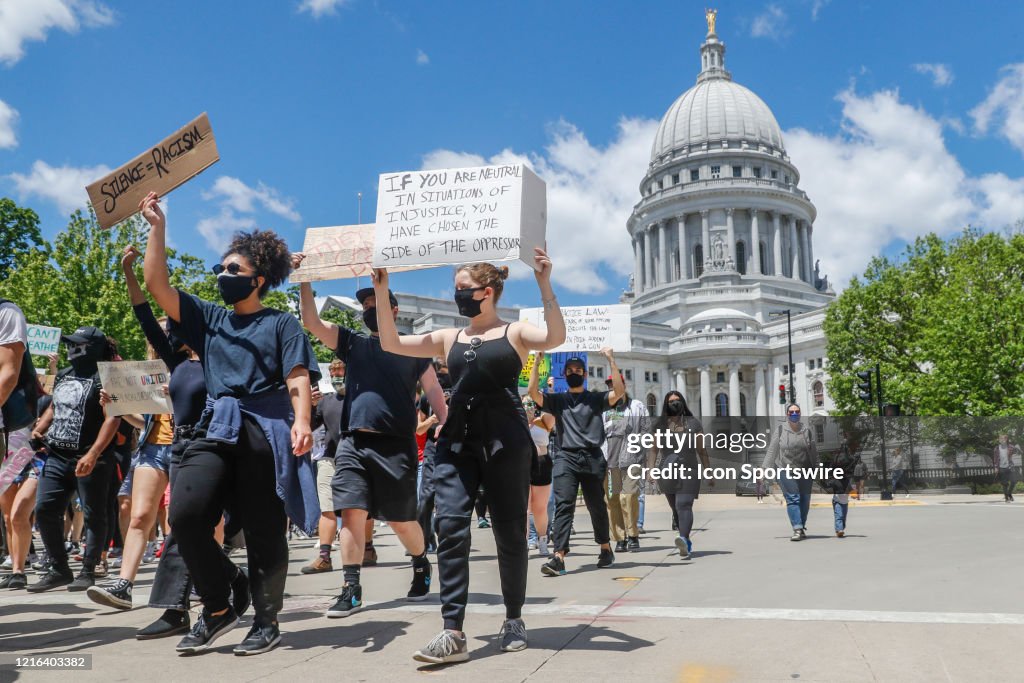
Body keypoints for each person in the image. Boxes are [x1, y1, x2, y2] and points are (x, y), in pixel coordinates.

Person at [140, 191, 320, 656]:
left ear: (259, 279)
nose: (223, 276)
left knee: (263, 528)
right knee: (184, 515)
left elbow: (298, 376)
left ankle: (266, 619)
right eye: (220, 269)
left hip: (265, 429)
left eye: (233, 270)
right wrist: (157, 227)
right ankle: (221, 602)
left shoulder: (282, 324)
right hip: (214, 426)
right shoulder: (210, 318)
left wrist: (302, 421)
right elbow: (156, 284)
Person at [372, 250, 564, 665]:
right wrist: (381, 290)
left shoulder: (514, 332)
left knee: (510, 532)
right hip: (458, 440)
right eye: (455, 290)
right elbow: (390, 342)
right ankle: (452, 630)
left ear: (487, 292)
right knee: (451, 527)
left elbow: (555, 338)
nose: (457, 296)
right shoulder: (447, 338)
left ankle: (513, 618)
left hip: (505, 439)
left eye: (462, 289)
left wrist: (545, 284)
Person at [292, 254, 447, 621]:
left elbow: (434, 390)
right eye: (363, 305)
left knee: (400, 521)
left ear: (392, 309)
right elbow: (311, 321)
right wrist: (304, 278)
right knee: (352, 514)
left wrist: (447, 422)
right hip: (353, 445)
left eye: (374, 302)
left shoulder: (414, 347)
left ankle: (421, 562)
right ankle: (351, 589)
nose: (367, 308)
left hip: (396, 446)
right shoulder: (352, 344)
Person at [87, 247, 176, 612]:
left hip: (190, 447)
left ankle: (201, 581)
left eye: (166, 331)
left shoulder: (193, 364)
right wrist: (118, 408)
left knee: (189, 522)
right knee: (138, 515)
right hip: (153, 449)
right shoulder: (149, 374)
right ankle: (124, 585)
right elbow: (145, 422)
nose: (159, 338)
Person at [28, 327, 121, 592]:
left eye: (77, 344)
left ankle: (89, 569)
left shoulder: (108, 378)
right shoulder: (65, 375)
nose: (71, 349)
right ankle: (59, 568)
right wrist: (40, 428)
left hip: (90, 458)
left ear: (92, 347)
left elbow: (114, 417)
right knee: (45, 509)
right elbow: (55, 407)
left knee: (93, 515)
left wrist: (93, 454)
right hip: (56, 455)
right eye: (69, 344)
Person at [530, 348, 625, 577]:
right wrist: (538, 361)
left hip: (592, 458)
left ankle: (605, 547)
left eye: (578, 370)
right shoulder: (558, 400)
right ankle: (559, 556)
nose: (574, 373)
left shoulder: (595, 399)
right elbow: (533, 392)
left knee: (596, 505)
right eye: (570, 370)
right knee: (564, 505)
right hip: (566, 457)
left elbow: (619, 392)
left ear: (584, 375)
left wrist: (610, 359)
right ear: (565, 374)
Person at [652, 391, 710, 559]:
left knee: (684, 504)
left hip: (689, 469)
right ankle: (686, 539)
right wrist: (651, 470)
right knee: (676, 508)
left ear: (683, 402)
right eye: (671, 401)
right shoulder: (660, 425)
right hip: (667, 470)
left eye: (677, 400)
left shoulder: (693, 423)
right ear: (666, 404)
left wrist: (708, 470)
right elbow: (654, 449)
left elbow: (702, 449)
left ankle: (683, 538)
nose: (675, 403)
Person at [303, 360, 346, 574]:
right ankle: (324, 557)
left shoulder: (361, 396)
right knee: (327, 509)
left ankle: (367, 549)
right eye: (332, 370)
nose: (335, 374)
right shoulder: (325, 400)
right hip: (329, 458)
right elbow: (311, 427)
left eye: (339, 370)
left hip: (357, 458)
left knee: (360, 511)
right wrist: (310, 407)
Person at [0, 297, 30, 589]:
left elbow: (9, 374)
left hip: (30, 451)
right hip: (15, 450)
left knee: (19, 512)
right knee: (9, 512)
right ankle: (16, 566)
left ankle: (19, 569)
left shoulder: (6, 312)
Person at [602, 377, 649, 552]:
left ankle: (633, 534)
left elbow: (646, 429)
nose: (612, 388)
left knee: (628, 497)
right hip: (610, 460)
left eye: (615, 385)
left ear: (624, 386)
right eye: (609, 386)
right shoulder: (604, 408)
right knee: (613, 500)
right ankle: (620, 538)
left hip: (632, 459)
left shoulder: (636, 406)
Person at [762, 403, 818, 541]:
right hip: (785, 469)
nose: (794, 414)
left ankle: (801, 525)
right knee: (793, 498)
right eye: (791, 412)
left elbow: (814, 452)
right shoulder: (780, 430)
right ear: (787, 414)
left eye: (797, 411)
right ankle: (797, 528)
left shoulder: (807, 430)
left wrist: (817, 468)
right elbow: (772, 450)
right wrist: (764, 470)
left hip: (805, 469)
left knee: (804, 500)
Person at [524, 396, 554, 557]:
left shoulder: (542, 421)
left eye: (530, 403)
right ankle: (524, 542)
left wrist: (547, 392)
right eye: (524, 403)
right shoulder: (516, 421)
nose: (527, 407)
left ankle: (543, 541)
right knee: (525, 508)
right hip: (522, 465)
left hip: (542, 464)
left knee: (540, 508)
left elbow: (552, 412)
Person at [828, 435, 859, 537]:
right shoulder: (839, 460)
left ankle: (840, 528)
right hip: (837, 499)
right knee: (839, 514)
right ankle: (839, 529)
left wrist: (855, 494)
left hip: (844, 500)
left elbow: (851, 488)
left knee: (843, 515)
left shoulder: (847, 478)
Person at [992, 433, 1021, 503]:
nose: (1002, 440)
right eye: (1000, 439)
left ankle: (1009, 493)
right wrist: (996, 467)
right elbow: (995, 459)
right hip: (1001, 468)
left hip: (1010, 466)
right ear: (999, 440)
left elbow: (1019, 452)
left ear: (1006, 439)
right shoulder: (996, 448)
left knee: (1013, 481)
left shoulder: (1010, 447)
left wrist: (1017, 450)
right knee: (1004, 483)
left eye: (1003, 438)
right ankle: (1006, 498)